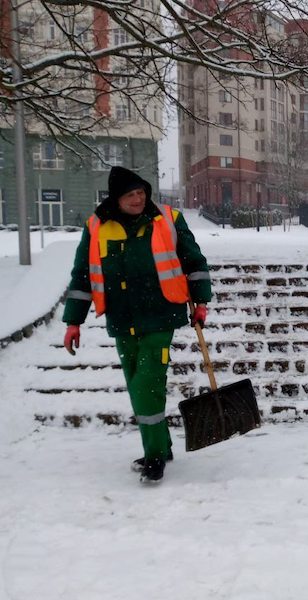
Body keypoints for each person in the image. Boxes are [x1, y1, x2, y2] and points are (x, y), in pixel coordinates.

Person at [62, 166, 212, 484]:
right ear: (116, 199)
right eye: (130, 194)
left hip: (161, 316)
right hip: (121, 319)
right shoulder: (96, 227)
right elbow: (82, 277)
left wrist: (201, 302)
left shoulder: (168, 220)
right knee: (136, 385)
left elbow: (194, 262)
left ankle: (155, 455)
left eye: (141, 192)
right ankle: (164, 444)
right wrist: (73, 321)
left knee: (147, 384)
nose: (137, 199)